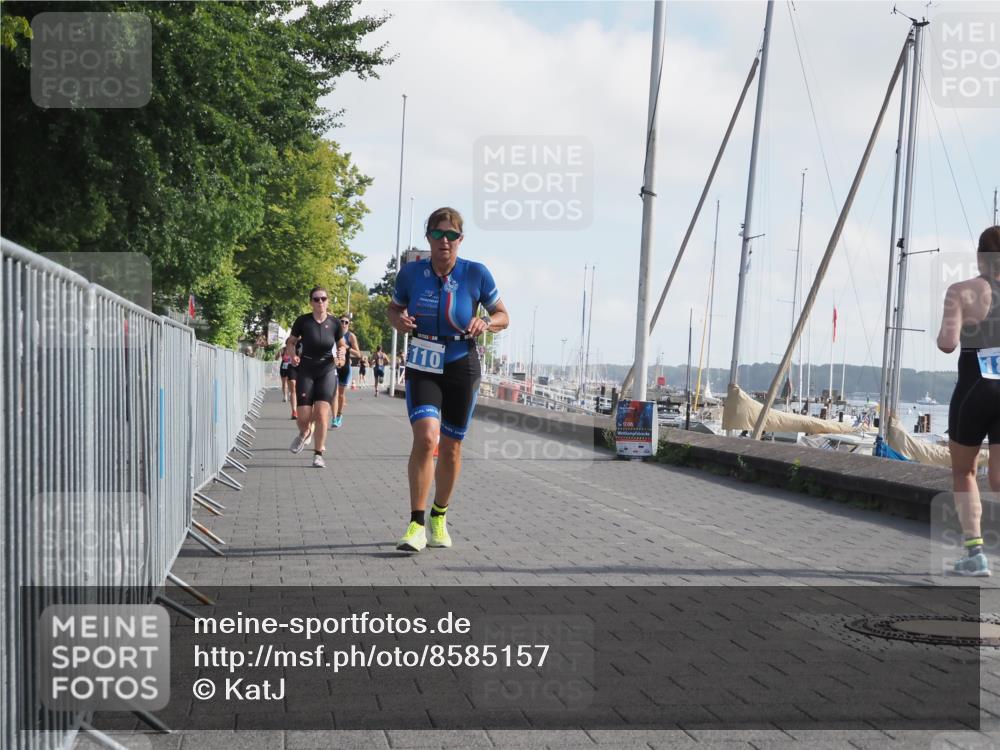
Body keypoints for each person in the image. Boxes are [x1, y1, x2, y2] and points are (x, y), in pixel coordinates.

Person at [388, 207, 509, 552]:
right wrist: (398, 321)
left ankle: (439, 515)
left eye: (452, 236)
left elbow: (503, 314)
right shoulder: (411, 274)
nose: (445, 242)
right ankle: (415, 524)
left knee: (452, 448)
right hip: (424, 359)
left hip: (461, 362)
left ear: (460, 240)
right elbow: (394, 309)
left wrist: (487, 322)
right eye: (439, 235)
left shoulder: (476, 274)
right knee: (427, 439)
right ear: (428, 238)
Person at [936, 225, 1000, 576]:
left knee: (965, 471)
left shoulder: (960, 291)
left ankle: (975, 554)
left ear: (980, 257)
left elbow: (947, 343)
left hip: (975, 387)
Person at [285, 287, 347, 468]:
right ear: (310, 302)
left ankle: (318, 454)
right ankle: (304, 432)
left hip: (326, 369)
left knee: (321, 413)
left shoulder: (335, 323)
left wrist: (342, 353)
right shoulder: (303, 321)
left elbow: (341, 343)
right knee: (302, 417)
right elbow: (291, 341)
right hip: (306, 369)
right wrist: (292, 354)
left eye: (323, 299)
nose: (320, 302)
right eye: (316, 299)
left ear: (328, 301)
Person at [331, 314, 361, 428]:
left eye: (346, 322)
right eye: (342, 321)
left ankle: (339, 415)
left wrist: (347, 347)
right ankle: (333, 417)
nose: (343, 324)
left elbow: (358, 354)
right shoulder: (333, 333)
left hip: (345, 367)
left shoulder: (350, 336)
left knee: (340, 394)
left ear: (349, 324)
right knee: (334, 392)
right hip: (333, 366)